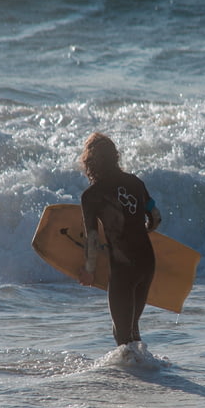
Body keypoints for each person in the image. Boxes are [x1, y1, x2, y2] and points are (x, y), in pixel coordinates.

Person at [77, 132, 162, 347]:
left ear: (90, 162)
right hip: (146, 261)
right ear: (115, 157)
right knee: (133, 328)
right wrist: (139, 229)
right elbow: (155, 217)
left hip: (124, 266)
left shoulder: (91, 196)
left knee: (122, 335)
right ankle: (146, 373)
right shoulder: (136, 183)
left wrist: (89, 269)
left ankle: (133, 376)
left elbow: (93, 237)